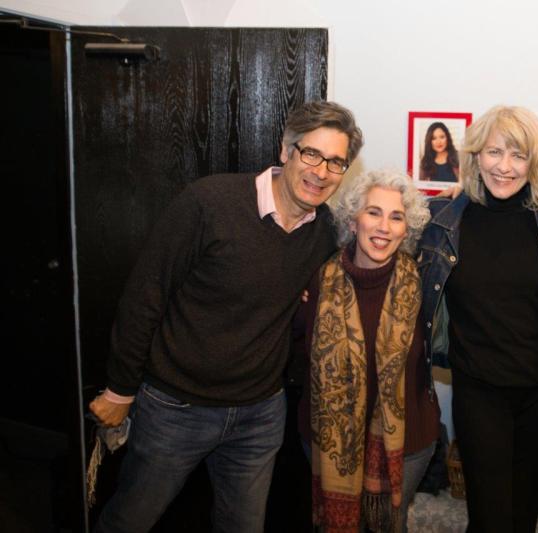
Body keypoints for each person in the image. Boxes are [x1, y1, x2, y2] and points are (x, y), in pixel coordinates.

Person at [89, 100, 363, 533]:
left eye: (336, 162)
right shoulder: (209, 201)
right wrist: (120, 389)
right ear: (286, 150)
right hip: (176, 407)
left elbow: (369, 253)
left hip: (260, 413)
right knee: (130, 520)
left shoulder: (325, 232)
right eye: (311, 153)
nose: (321, 171)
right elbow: (146, 293)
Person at [418, 105, 538, 532]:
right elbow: (380, 237)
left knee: (524, 512)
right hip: (478, 390)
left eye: (518, 155)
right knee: (488, 514)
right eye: (494, 152)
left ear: (535, 162)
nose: (505, 167)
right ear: (475, 156)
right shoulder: (446, 218)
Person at [295, 169, 439, 532]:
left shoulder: (425, 285)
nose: (383, 227)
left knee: (390, 524)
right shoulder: (316, 281)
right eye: (373, 212)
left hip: (407, 445)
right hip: (327, 441)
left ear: (408, 228)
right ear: (353, 218)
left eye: (396, 217)